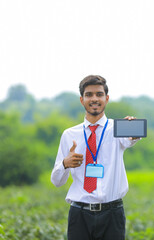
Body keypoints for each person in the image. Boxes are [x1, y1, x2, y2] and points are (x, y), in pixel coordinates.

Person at [51, 75, 140, 240]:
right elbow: (57, 181)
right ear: (81, 99)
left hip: (112, 214)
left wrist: (133, 130)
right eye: (89, 94)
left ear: (106, 99)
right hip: (79, 214)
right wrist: (65, 164)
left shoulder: (117, 128)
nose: (94, 99)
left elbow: (131, 139)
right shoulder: (69, 134)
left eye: (99, 94)